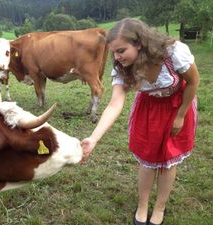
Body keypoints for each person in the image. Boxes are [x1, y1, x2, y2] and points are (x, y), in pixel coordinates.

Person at [81, 18, 199, 225]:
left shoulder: (173, 53)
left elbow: (193, 81)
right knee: (147, 159)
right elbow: (115, 103)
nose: (116, 58)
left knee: (168, 159)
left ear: (139, 43)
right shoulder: (123, 67)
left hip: (178, 105)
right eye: (114, 52)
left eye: (121, 51)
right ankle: (143, 205)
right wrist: (94, 138)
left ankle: (160, 207)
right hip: (149, 109)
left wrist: (181, 114)